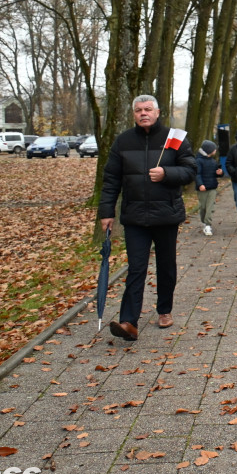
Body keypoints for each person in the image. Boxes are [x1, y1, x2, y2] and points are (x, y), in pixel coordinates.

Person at [98, 94, 197, 341]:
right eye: (139, 110)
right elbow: (111, 180)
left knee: (166, 267)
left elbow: (190, 170)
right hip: (135, 217)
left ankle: (164, 310)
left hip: (166, 215)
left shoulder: (174, 139)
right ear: (134, 114)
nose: (143, 113)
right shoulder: (123, 141)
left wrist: (167, 173)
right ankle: (128, 321)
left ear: (157, 112)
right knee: (136, 268)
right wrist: (106, 212)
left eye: (148, 109)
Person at [195, 139, 222, 237]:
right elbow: (197, 174)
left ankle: (208, 224)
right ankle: (204, 221)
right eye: (214, 149)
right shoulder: (198, 161)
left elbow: (216, 173)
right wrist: (200, 184)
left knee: (210, 207)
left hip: (212, 188)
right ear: (209, 150)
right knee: (203, 207)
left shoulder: (214, 161)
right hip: (202, 188)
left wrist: (220, 173)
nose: (215, 151)